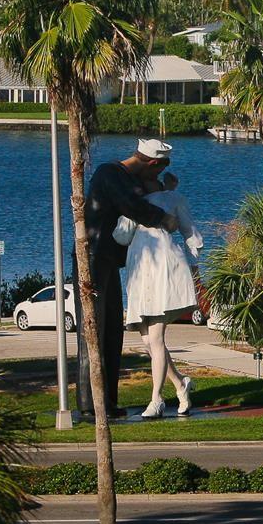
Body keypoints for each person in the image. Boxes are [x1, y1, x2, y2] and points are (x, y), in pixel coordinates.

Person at [81, 138, 177, 419]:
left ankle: (107, 401)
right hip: (93, 259)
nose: (155, 179)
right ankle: (91, 404)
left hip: (108, 260)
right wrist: (164, 218)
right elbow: (132, 206)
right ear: (151, 163)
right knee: (94, 330)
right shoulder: (109, 174)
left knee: (112, 330)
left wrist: (165, 189)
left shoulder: (126, 177)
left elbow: (142, 196)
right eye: (156, 172)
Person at [116, 171, 199, 417]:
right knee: (149, 343)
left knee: (156, 340)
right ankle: (180, 384)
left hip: (164, 273)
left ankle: (156, 399)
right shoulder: (138, 207)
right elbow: (121, 236)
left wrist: (195, 261)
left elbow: (189, 230)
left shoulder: (169, 200)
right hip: (142, 276)